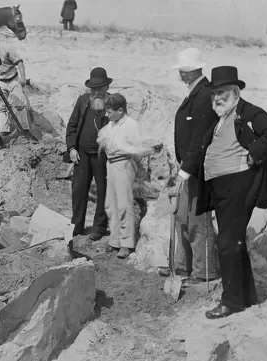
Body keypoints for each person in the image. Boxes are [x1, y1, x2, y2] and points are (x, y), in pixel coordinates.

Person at [195, 66, 267, 319]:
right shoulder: (222, 117)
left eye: (223, 92)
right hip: (221, 188)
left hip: (238, 186)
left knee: (227, 243)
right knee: (234, 242)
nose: (217, 98)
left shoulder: (250, 113)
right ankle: (246, 296)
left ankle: (231, 302)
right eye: (214, 93)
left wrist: (254, 154)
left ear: (236, 92)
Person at [157, 48, 220, 283]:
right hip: (189, 166)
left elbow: (201, 139)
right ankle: (182, 267)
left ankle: (204, 272)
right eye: (181, 71)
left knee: (198, 221)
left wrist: (186, 169)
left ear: (196, 70)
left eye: (185, 71)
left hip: (199, 168)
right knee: (182, 217)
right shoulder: (195, 92)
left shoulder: (205, 95)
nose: (182, 75)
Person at [96, 93, 147, 259]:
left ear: (120, 110)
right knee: (110, 204)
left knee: (124, 204)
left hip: (124, 164)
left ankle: (127, 243)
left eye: (110, 111)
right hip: (110, 164)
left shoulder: (131, 125)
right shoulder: (111, 124)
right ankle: (115, 240)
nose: (107, 115)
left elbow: (137, 149)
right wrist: (102, 141)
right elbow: (102, 136)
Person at [65, 67, 111, 240]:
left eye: (100, 88)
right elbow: (72, 126)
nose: (97, 92)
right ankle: (76, 227)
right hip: (81, 154)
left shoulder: (113, 103)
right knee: (79, 190)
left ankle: (99, 228)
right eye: (93, 88)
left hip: (102, 156)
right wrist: (72, 148)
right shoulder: (83, 100)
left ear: (107, 87)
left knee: (103, 191)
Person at [0, 42, 32, 138]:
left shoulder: (7, 48)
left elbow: (19, 62)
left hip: (13, 79)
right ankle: (4, 132)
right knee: (2, 106)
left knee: (19, 104)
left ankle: (25, 129)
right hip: (0, 80)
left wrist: (23, 78)